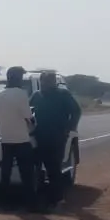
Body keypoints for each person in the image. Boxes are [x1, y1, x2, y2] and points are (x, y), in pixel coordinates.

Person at [0, 66, 37, 208]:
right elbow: (28, 115)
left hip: (6, 139)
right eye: (20, 76)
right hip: (21, 139)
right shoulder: (21, 94)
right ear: (16, 78)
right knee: (26, 173)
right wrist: (32, 123)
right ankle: (31, 204)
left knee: (5, 172)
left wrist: (3, 115)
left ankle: (4, 203)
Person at [30, 72, 82, 208]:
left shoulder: (63, 94)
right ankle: (40, 196)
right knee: (36, 168)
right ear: (41, 81)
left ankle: (55, 198)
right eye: (44, 81)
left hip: (57, 136)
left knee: (53, 167)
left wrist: (70, 127)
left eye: (49, 81)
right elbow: (28, 111)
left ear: (54, 82)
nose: (46, 83)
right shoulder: (36, 95)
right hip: (38, 135)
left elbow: (76, 111)